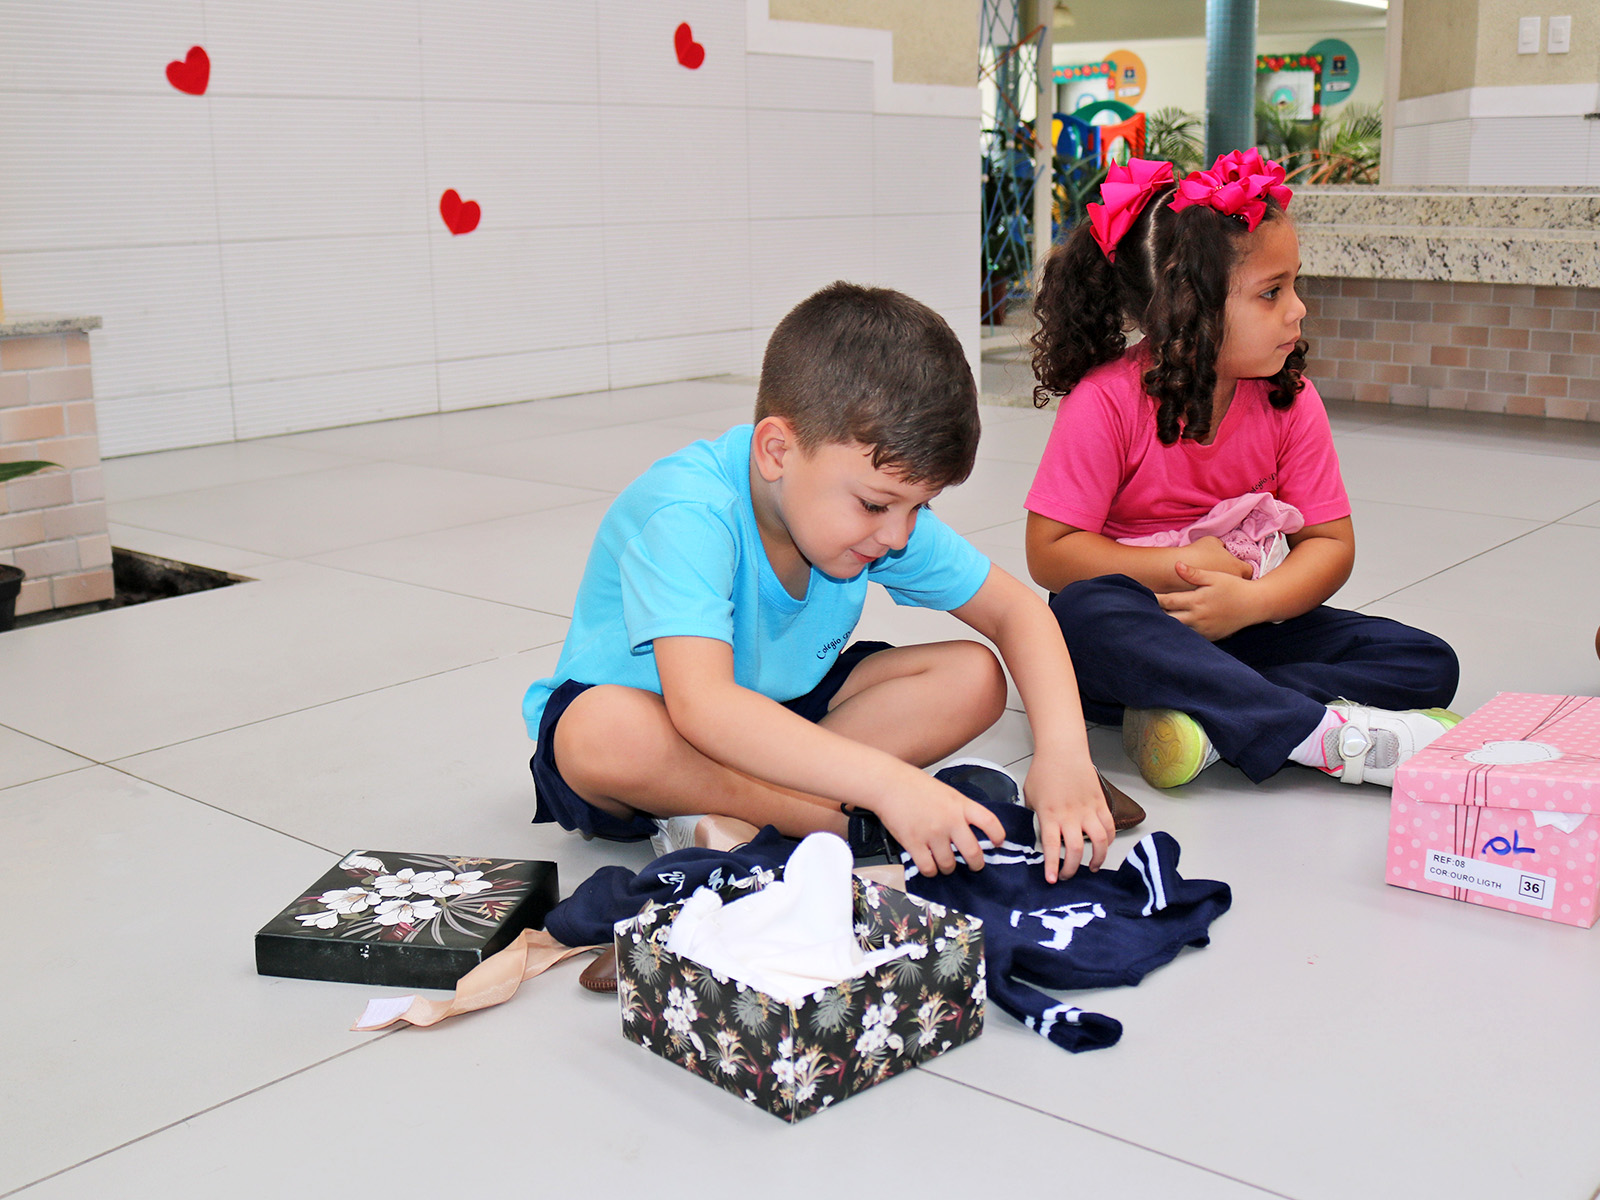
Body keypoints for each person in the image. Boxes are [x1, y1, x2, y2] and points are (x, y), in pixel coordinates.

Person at [524, 281, 1111, 882]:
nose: (898, 535)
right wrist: (889, 785)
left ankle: (730, 812)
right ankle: (842, 822)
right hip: (665, 721)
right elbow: (703, 707)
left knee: (975, 676)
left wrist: (1065, 756)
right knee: (601, 732)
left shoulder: (877, 513)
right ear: (777, 451)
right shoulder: (689, 513)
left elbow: (1017, 612)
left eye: (919, 506)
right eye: (876, 505)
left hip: (782, 711)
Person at [1025, 152, 1460, 791]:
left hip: (1244, 622)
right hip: (1143, 627)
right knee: (1084, 618)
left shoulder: (1290, 399)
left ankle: (1212, 714)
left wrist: (1252, 603)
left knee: (1426, 661)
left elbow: (1330, 545)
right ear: (1189, 308)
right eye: (1271, 293)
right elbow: (1049, 553)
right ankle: (1309, 730)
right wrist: (1181, 566)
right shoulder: (1106, 401)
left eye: (1295, 285)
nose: (1298, 310)